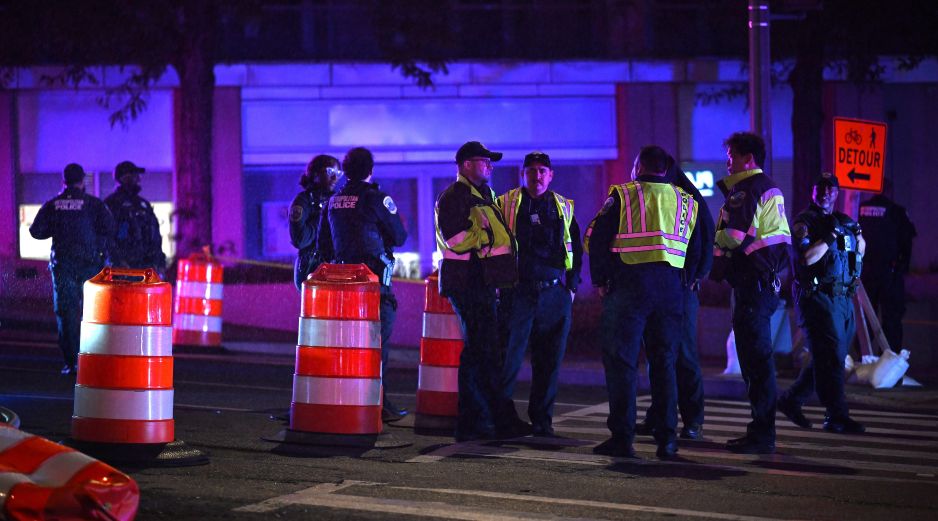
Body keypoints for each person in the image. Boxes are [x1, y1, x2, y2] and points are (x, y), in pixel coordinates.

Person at [585, 145, 700, 460]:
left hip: (630, 287)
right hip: (671, 290)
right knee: (664, 363)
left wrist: (600, 280)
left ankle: (623, 438)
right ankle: (667, 440)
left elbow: (598, 238)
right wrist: (687, 281)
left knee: (622, 362)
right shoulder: (686, 200)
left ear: (638, 167)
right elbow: (696, 244)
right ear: (665, 169)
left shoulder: (623, 195)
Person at [711, 132, 791, 454]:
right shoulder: (766, 187)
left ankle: (762, 433)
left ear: (749, 159)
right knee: (758, 361)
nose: (728, 162)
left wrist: (712, 248)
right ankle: (761, 430)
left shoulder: (747, 189)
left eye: (731, 155)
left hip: (752, 284)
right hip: (762, 283)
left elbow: (732, 235)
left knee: (756, 362)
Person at [434, 141, 518, 442]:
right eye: (485, 161)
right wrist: (485, 235)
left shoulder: (483, 195)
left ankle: (489, 418)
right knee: (479, 352)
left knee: (483, 351)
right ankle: (476, 421)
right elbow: (456, 240)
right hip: (466, 283)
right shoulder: (454, 196)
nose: (490, 166)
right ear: (467, 164)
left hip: (482, 282)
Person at [317, 147, 408, 422]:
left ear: (345, 171)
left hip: (343, 287)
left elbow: (324, 246)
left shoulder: (333, 201)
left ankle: (349, 399)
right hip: (374, 286)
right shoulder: (376, 199)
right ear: (371, 170)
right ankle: (378, 403)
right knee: (377, 346)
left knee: (347, 346)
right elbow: (400, 236)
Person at [496, 151, 582, 438]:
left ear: (551, 175)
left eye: (542, 170)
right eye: (531, 170)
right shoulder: (506, 203)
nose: (537, 175)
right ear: (522, 174)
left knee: (549, 361)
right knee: (508, 360)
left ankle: (542, 421)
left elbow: (575, 247)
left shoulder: (562, 206)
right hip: (518, 292)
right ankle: (501, 419)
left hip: (553, 294)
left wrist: (572, 286)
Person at [778, 172, 866, 434]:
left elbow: (859, 250)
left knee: (831, 357)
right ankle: (837, 415)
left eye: (831, 188)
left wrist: (857, 234)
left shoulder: (841, 221)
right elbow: (807, 258)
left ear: (837, 193)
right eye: (821, 188)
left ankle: (791, 399)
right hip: (817, 298)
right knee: (831, 358)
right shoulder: (805, 222)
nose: (826, 192)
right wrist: (830, 235)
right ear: (813, 191)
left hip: (843, 298)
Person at [636, 156, 714, 441]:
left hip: (680, 291)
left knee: (683, 356)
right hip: (659, 290)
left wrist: (693, 277)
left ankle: (693, 420)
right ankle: (659, 415)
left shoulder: (684, 201)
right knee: (659, 357)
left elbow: (702, 240)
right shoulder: (657, 199)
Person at [29, 163, 114, 375]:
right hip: (90, 267)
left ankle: (72, 362)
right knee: (93, 314)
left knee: (66, 313)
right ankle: (94, 361)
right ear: (82, 181)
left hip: (63, 267)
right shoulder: (93, 204)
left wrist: (57, 228)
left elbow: (36, 231)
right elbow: (109, 228)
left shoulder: (53, 204)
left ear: (63, 181)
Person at [858, 180, 916, 352]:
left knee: (866, 317)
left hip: (866, 272)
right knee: (891, 318)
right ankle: (888, 356)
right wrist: (903, 268)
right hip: (889, 273)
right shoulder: (897, 211)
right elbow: (907, 242)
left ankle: (864, 355)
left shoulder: (860, 209)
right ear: (890, 191)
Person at [104, 160, 166, 277]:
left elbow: (155, 235)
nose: (138, 179)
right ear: (124, 177)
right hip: (122, 269)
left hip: (146, 267)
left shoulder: (143, 204)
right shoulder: (112, 203)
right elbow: (107, 237)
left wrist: (160, 262)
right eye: (134, 175)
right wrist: (118, 261)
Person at [290, 154, 342, 290]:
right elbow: (300, 240)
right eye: (330, 171)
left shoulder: (338, 199)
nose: (335, 178)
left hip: (336, 267)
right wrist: (323, 216)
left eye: (338, 173)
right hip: (311, 268)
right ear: (315, 174)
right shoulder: (303, 201)